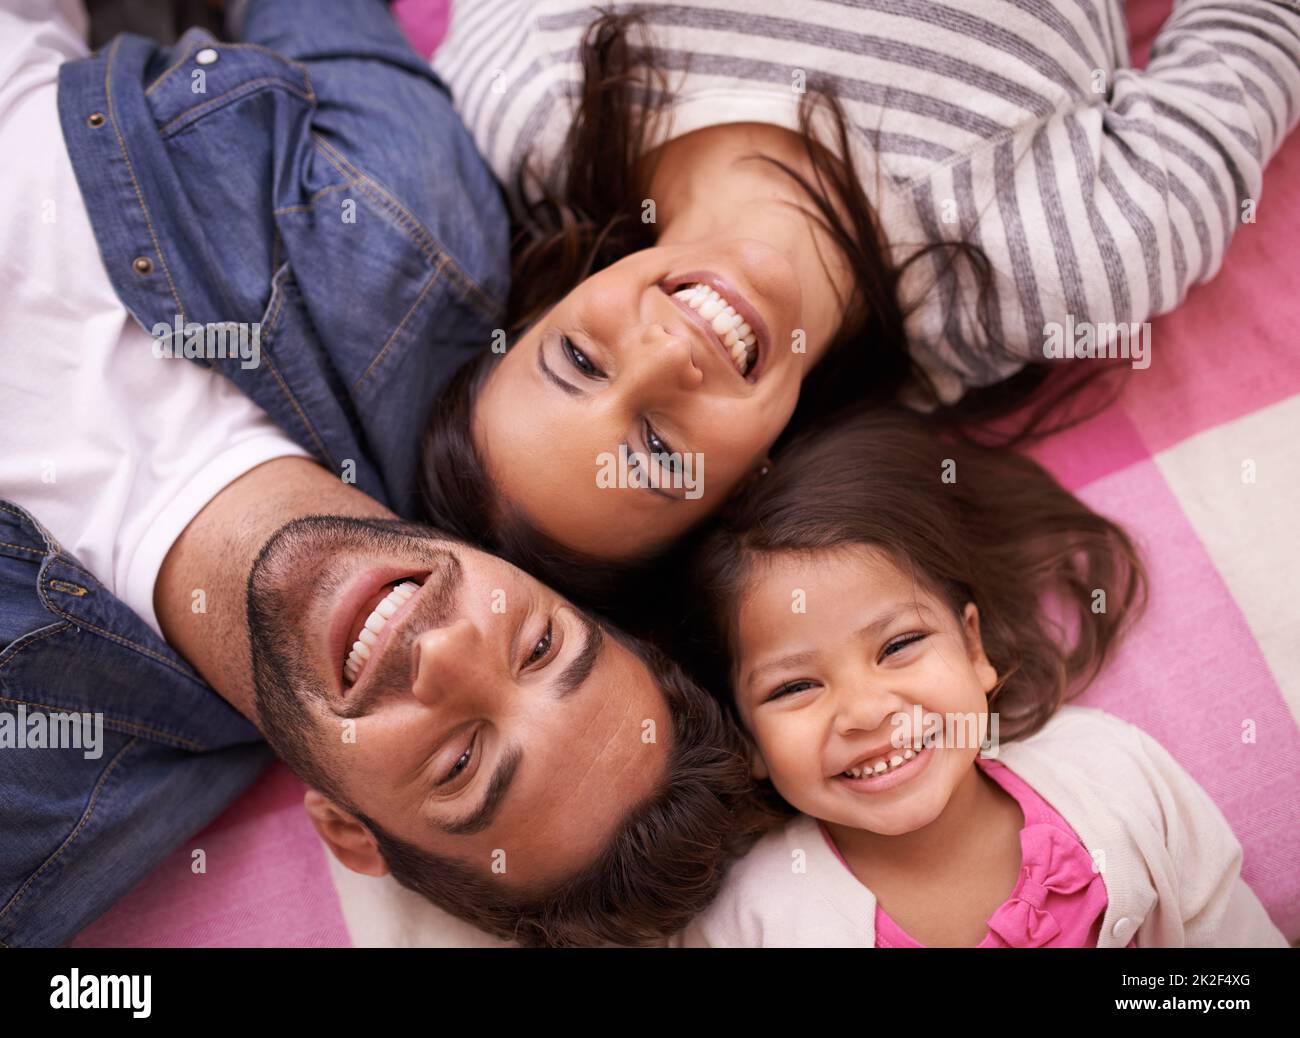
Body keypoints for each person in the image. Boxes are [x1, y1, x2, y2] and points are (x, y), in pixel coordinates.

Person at [0, 0, 754, 948]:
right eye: (536, 647)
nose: (442, 654)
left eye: (461, 762)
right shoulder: (409, 246)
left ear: (350, 833)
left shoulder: (31, 801)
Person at [419, 0, 1300, 594]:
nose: (665, 354)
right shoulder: (1065, 268)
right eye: (655, 450)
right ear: (747, 489)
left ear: (544, 306)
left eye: (577, 359)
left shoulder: (537, 95)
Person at [672, 409, 1287, 946]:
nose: (864, 710)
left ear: (972, 647)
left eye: (900, 645)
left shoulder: (1111, 772)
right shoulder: (750, 920)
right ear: (746, 737)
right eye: (794, 687)